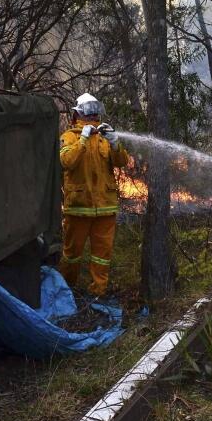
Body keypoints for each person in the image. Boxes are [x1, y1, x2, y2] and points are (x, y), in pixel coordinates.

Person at [59, 93, 130, 297]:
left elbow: (122, 162)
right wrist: (82, 139)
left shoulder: (104, 137)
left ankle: (98, 292)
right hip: (78, 207)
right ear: (78, 114)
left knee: (102, 255)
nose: (93, 117)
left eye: (95, 113)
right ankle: (66, 291)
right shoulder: (69, 136)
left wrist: (116, 144)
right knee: (72, 254)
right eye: (89, 113)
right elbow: (66, 161)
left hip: (105, 208)